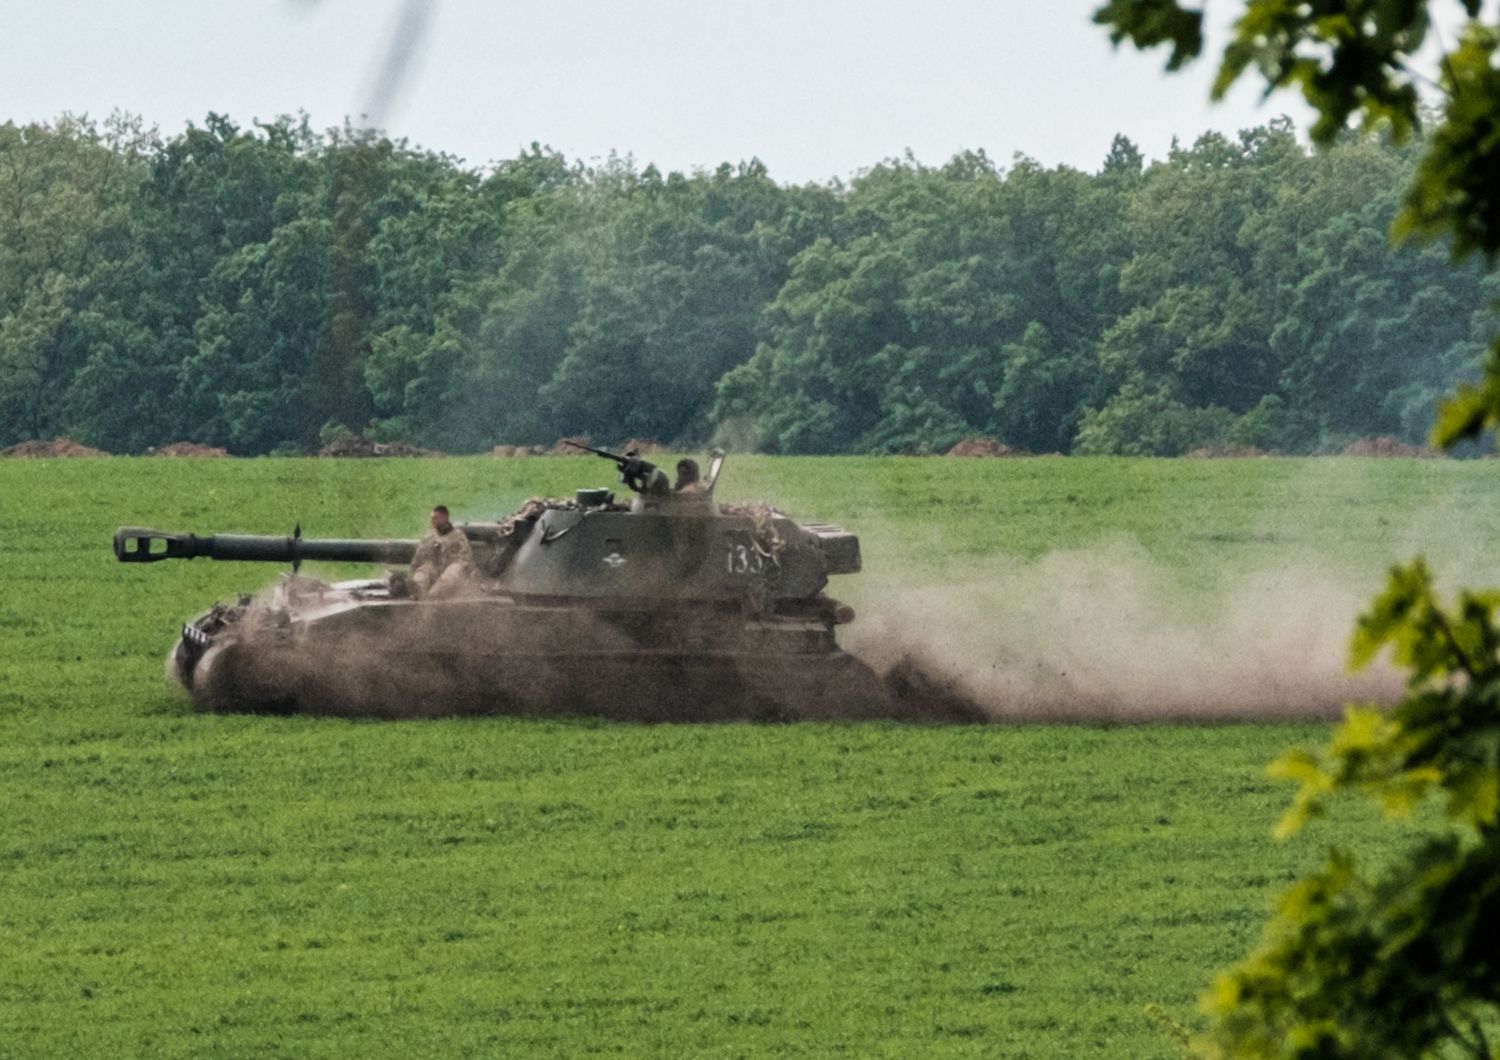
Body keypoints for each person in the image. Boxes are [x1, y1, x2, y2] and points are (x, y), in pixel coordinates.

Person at [409, 504, 474, 598]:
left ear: (445, 518)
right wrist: (413, 572)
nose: (432, 521)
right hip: (433, 569)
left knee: (450, 575)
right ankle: (420, 595)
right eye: (432, 518)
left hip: (451, 571)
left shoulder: (458, 536)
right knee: (421, 576)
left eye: (435, 518)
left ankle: (433, 596)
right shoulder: (429, 537)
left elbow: (465, 559)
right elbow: (418, 557)